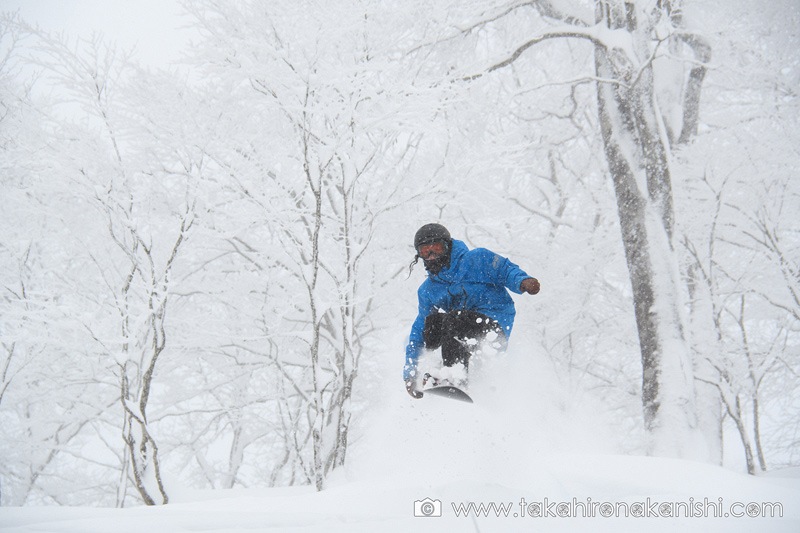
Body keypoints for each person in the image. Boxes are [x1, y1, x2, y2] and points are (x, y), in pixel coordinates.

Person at [404, 223, 540, 399]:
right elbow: (418, 333)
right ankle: (439, 372)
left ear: (448, 246)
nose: (432, 256)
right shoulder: (429, 289)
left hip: (492, 328)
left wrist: (523, 281)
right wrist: (410, 374)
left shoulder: (478, 260)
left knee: (453, 319)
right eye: (425, 251)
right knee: (432, 324)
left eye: (436, 248)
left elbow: (506, 270)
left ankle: (456, 376)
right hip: (459, 331)